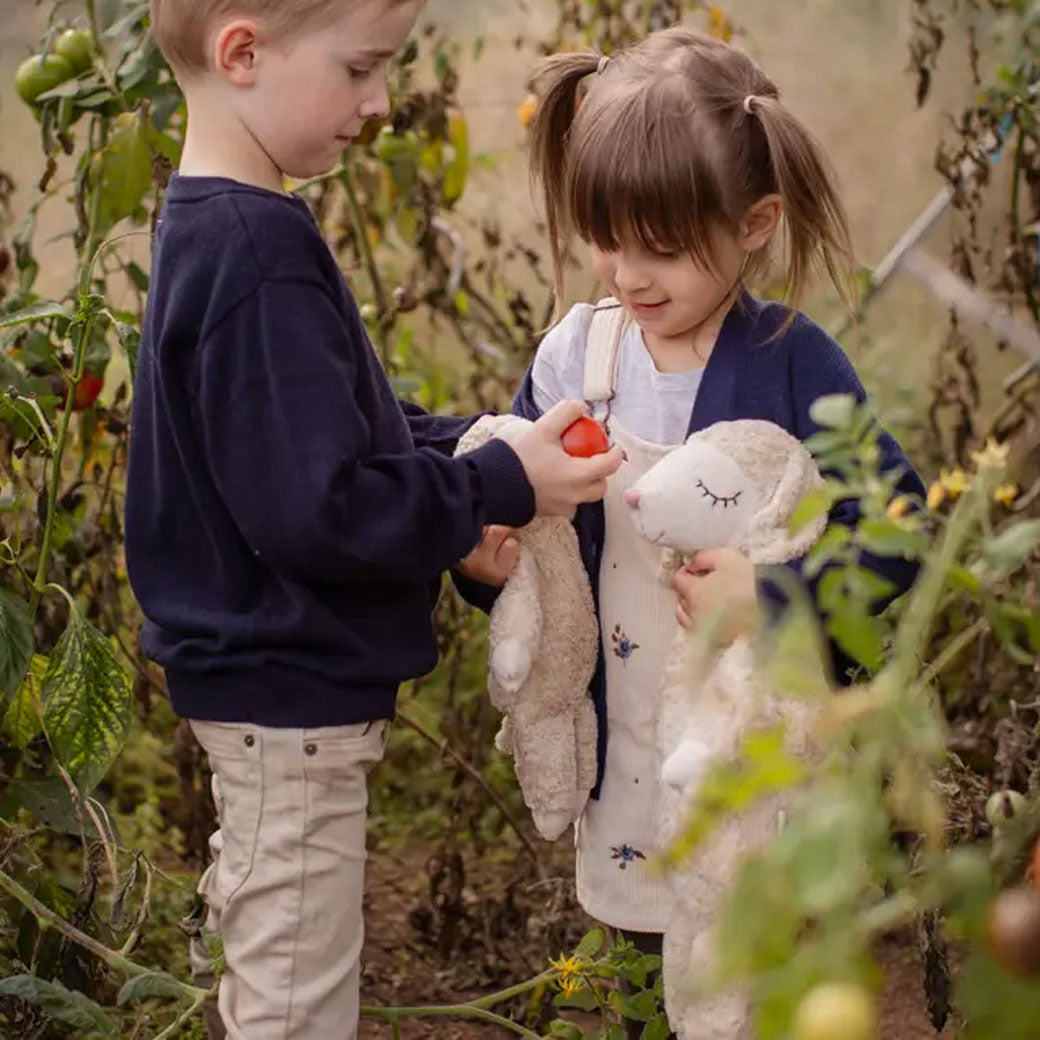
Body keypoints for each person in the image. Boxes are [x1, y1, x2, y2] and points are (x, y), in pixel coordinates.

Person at [125, 2, 622, 1037]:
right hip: (289, 705)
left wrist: (466, 450)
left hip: (274, 702)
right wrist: (489, 484)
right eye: (359, 69)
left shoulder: (223, 222)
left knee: (277, 976)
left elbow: (334, 432)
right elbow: (321, 508)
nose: (381, 101)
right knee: (296, 1011)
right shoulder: (256, 254)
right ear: (243, 51)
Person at [456, 27, 925, 1039]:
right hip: (626, 742)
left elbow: (899, 526)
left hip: (752, 755)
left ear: (753, 223)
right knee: (640, 964)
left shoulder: (792, 363)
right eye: (605, 237)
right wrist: (491, 563)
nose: (626, 271)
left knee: (751, 964)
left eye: (661, 246)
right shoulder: (577, 355)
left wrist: (775, 596)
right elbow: (530, 528)